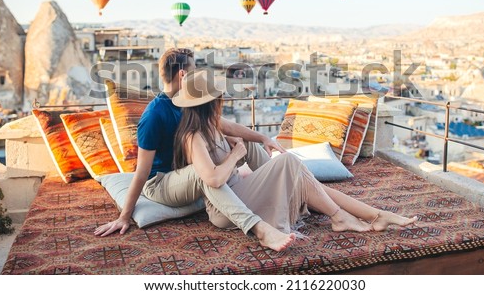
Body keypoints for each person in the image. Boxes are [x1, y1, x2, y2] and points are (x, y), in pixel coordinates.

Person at [171, 70, 418, 241]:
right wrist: (235, 155)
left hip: (242, 191)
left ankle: (374, 215)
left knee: (301, 177)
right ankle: (341, 216)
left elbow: (237, 129)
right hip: (227, 209)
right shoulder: (193, 137)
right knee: (289, 162)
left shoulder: (211, 122)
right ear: (211, 101)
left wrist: (264, 139)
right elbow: (213, 180)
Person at [95, 48, 295, 251]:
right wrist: (124, 216)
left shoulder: (189, 101)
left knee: (244, 142)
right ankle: (260, 229)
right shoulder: (154, 115)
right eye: (194, 70)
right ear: (182, 74)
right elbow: (142, 172)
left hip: (188, 173)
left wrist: (263, 138)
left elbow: (226, 125)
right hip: (162, 183)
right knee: (203, 173)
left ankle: (288, 189)